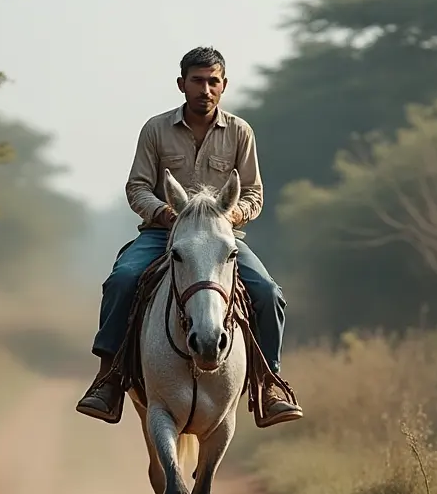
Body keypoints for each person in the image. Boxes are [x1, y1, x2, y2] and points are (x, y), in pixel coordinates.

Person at [75, 46, 302, 428]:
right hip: (163, 233)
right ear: (182, 85)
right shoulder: (156, 129)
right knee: (122, 279)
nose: (206, 89)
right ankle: (108, 379)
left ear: (224, 85)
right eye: (197, 81)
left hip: (218, 237)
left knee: (267, 292)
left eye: (214, 81)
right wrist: (163, 212)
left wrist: (228, 215)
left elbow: (254, 192)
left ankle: (269, 383)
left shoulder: (240, 132)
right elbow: (138, 187)